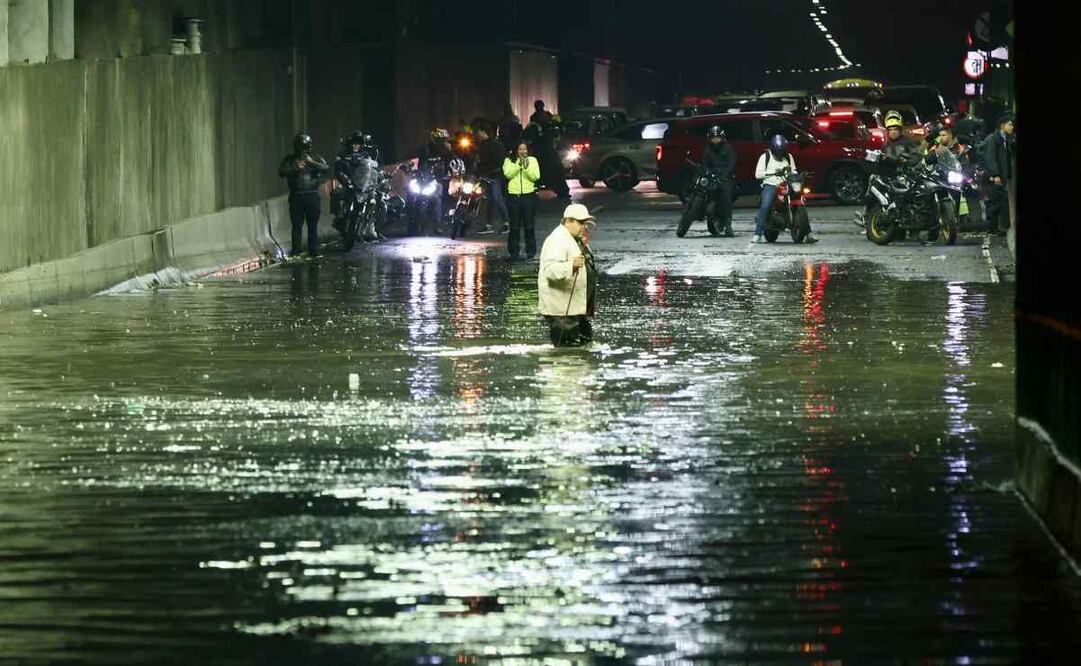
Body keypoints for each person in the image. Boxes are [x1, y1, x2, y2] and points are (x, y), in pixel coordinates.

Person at [538, 203, 597, 347]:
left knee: (580, 348)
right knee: (567, 352)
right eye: (581, 223)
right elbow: (550, 270)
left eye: (585, 223)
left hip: (575, 310)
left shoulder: (575, 238)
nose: (584, 227)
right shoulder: (557, 240)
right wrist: (571, 265)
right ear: (568, 221)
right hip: (562, 312)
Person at [751, 134, 818, 245]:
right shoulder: (765, 157)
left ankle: (809, 234)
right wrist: (771, 173)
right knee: (765, 205)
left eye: (782, 152)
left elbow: (794, 171)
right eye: (778, 152)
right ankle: (757, 234)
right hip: (771, 184)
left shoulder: (788, 156)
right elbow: (757, 174)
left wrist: (799, 175)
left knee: (800, 202)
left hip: (787, 183)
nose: (780, 154)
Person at [278, 133, 329, 258]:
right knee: (297, 225)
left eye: (306, 147)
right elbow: (282, 172)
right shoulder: (290, 159)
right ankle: (296, 252)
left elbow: (326, 168)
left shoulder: (315, 158)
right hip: (296, 196)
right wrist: (296, 167)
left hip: (312, 195)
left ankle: (313, 251)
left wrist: (312, 163)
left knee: (312, 225)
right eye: (301, 147)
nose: (304, 150)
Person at [333, 130, 384, 242]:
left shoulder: (365, 155)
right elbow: (338, 169)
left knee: (374, 201)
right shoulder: (343, 155)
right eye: (354, 143)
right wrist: (346, 181)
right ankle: (339, 217)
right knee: (336, 194)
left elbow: (372, 169)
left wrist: (378, 175)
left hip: (362, 185)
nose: (356, 146)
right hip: (349, 183)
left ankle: (369, 227)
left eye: (358, 143)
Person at [503, 142, 542, 260]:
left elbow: (536, 176)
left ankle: (531, 252)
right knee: (514, 226)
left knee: (529, 225)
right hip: (513, 196)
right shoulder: (508, 160)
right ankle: (514, 253)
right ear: (516, 150)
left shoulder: (533, 160)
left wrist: (526, 168)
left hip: (528, 196)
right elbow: (507, 174)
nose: (523, 152)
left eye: (525, 149)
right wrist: (518, 165)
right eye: (520, 149)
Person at [980, 113, 1015, 235]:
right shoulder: (992, 139)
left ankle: (997, 227)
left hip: (1001, 176)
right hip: (994, 177)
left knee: (1000, 201)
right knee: (995, 202)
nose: (1012, 127)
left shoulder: (1005, 139)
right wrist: (995, 175)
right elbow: (990, 158)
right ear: (1002, 125)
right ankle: (992, 227)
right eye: (1010, 124)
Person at [473, 123, 509, 235]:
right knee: (490, 200)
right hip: (486, 176)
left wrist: (483, 163)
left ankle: (506, 223)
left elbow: (500, 160)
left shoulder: (495, 144)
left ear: (483, 131)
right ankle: (489, 225)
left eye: (478, 132)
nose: (476, 134)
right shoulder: (482, 145)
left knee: (497, 198)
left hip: (495, 176)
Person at [701, 125, 736, 237]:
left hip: (725, 178)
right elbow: (705, 164)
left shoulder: (728, 148)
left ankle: (728, 225)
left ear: (722, 137)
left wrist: (726, 174)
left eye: (717, 137)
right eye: (713, 137)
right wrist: (706, 173)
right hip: (712, 177)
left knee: (726, 199)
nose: (715, 140)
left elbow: (731, 163)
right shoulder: (708, 149)